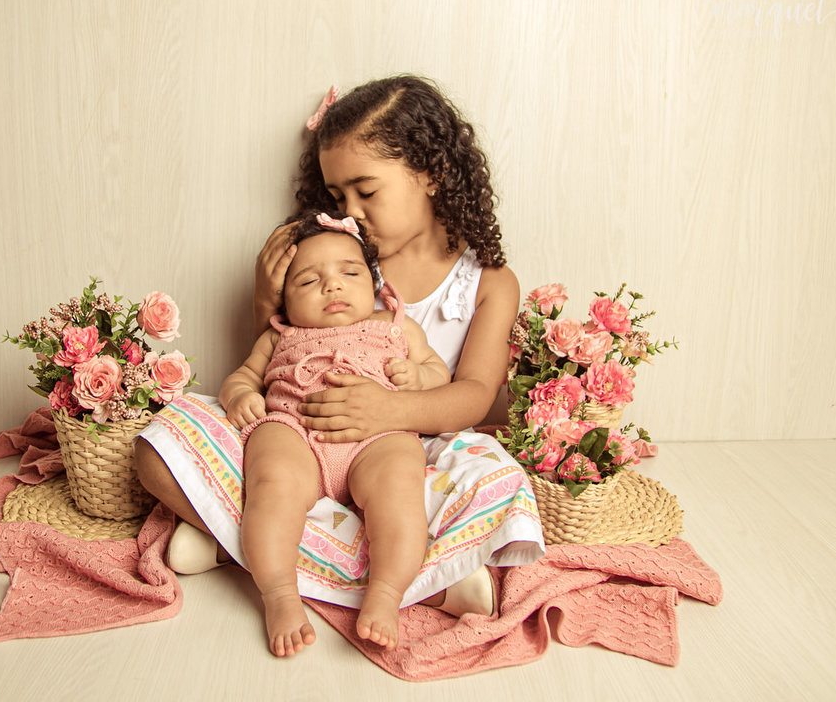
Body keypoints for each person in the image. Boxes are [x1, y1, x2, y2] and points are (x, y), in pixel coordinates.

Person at [135, 75, 544, 638]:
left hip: (407, 451)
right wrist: (265, 293)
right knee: (160, 446)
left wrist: (389, 412)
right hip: (300, 437)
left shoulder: (489, 282)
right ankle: (433, 580)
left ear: (431, 172)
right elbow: (279, 355)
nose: (350, 212)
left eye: (366, 192)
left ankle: (238, 544)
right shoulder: (334, 260)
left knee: (493, 476)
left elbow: (474, 396)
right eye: (337, 197)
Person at [223, 210, 451, 656]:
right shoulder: (278, 335)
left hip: (377, 439)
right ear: (285, 302)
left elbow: (438, 372)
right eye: (309, 281)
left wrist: (419, 378)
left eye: (350, 272)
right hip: (298, 433)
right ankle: (279, 595)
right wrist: (238, 397)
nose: (333, 285)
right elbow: (243, 376)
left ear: (377, 286)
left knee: (401, 486)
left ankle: (386, 594)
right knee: (272, 479)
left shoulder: (395, 326)